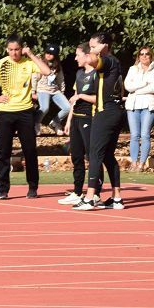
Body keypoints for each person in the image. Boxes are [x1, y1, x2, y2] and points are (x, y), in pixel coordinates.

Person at [0, 36, 50, 199]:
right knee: (4, 152)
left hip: (25, 112)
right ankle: (3, 189)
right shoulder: (0, 64)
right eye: (10, 50)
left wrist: (31, 54)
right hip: (5, 112)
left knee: (30, 150)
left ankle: (33, 187)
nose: (14, 53)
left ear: (21, 48)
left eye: (16, 49)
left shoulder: (28, 62)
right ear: (6, 50)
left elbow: (46, 71)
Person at [73, 31, 124, 210]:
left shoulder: (108, 60)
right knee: (108, 156)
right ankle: (117, 197)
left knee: (95, 154)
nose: (91, 50)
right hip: (113, 112)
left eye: (93, 46)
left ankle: (90, 197)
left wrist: (99, 50)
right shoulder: (113, 62)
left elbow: (92, 61)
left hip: (106, 112)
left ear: (104, 46)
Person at [58, 43, 100, 205]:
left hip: (89, 118)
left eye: (78, 55)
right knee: (76, 156)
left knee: (91, 156)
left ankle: (95, 193)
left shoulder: (97, 75)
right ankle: (77, 191)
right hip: (76, 118)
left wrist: (82, 96)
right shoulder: (79, 73)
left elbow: (98, 98)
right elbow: (75, 97)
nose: (75, 58)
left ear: (87, 56)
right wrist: (69, 120)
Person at [124, 45, 154, 171]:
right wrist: (144, 83)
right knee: (134, 135)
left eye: (147, 54)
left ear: (151, 56)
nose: (144, 56)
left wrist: (137, 90)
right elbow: (128, 87)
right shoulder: (133, 69)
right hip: (133, 105)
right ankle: (134, 162)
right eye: (141, 54)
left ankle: (142, 163)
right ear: (138, 56)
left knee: (145, 135)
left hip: (149, 105)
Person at [33, 44, 70, 136]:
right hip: (42, 89)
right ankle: (36, 123)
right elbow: (34, 77)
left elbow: (61, 80)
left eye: (51, 54)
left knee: (68, 107)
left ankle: (54, 123)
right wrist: (33, 91)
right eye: (47, 53)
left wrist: (62, 92)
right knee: (44, 108)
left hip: (55, 90)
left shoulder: (57, 66)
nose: (48, 55)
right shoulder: (40, 63)